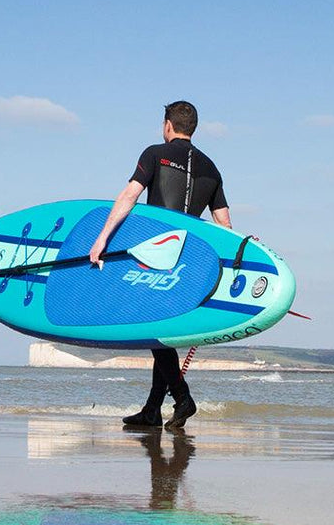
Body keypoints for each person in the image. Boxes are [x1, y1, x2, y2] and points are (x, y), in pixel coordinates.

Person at [88, 100, 231, 432]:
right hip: (189, 263)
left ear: (168, 125)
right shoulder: (212, 168)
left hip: (156, 255)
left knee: (154, 331)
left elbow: (129, 196)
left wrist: (102, 238)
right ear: (192, 127)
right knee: (161, 335)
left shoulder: (154, 153)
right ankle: (152, 410)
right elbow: (224, 225)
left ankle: (182, 399)